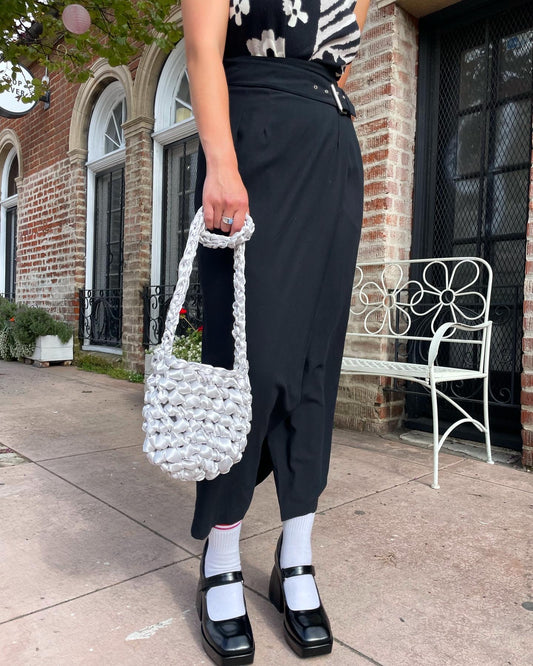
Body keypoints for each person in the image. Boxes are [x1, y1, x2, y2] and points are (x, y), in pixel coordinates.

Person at [181, 1, 370, 663]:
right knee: (246, 363)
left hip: (330, 156)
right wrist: (221, 162)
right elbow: (203, 51)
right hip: (251, 147)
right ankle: (222, 552)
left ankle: (295, 554)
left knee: (315, 364)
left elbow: (333, 71)